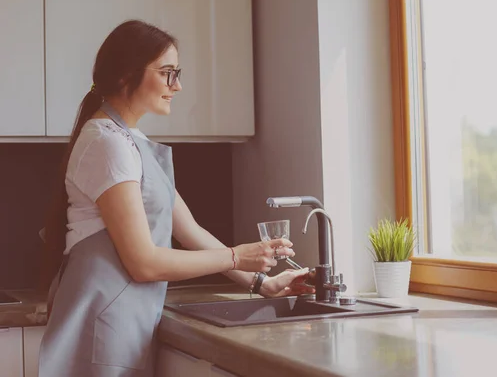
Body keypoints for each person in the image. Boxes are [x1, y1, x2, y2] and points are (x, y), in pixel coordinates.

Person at [37, 20, 313, 377]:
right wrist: (235, 256)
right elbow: (144, 263)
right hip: (101, 327)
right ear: (126, 74)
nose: (178, 85)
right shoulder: (107, 144)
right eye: (167, 73)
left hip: (122, 323)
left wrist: (263, 283)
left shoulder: (129, 140)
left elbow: (190, 230)